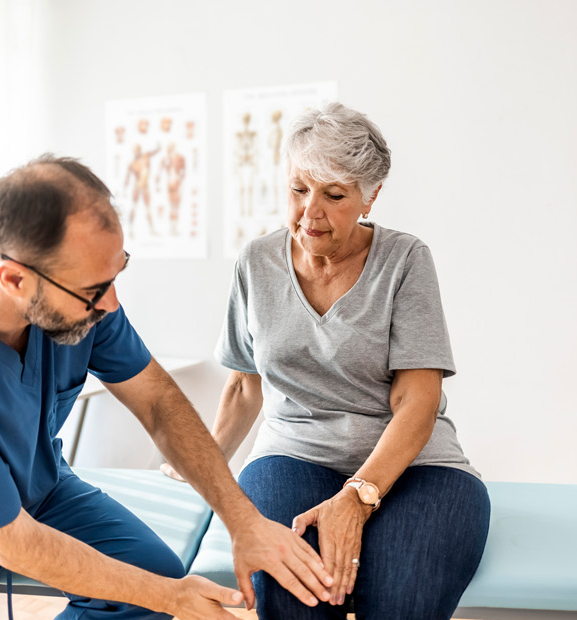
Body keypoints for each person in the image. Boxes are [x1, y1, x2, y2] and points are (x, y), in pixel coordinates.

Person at [0, 154, 335, 620]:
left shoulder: (75, 285)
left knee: (154, 577)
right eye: (95, 291)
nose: (111, 304)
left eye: (118, 272)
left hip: (34, 487)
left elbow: (156, 401)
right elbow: (11, 540)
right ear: (14, 281)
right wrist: (173, 600)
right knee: (160, 592)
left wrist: (242, 521)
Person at [163, 103, 490, 619]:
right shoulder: (256, 262)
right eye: (298, 189)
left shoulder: (405, 260)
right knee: (298, 601)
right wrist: (203, 465)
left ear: (370, 197)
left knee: (400, 602)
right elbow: (245, 387)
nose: (309, 212)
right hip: (292, 456)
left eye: (333, 195)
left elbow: (417, 398)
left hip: (416, 467)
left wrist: (356, 498)